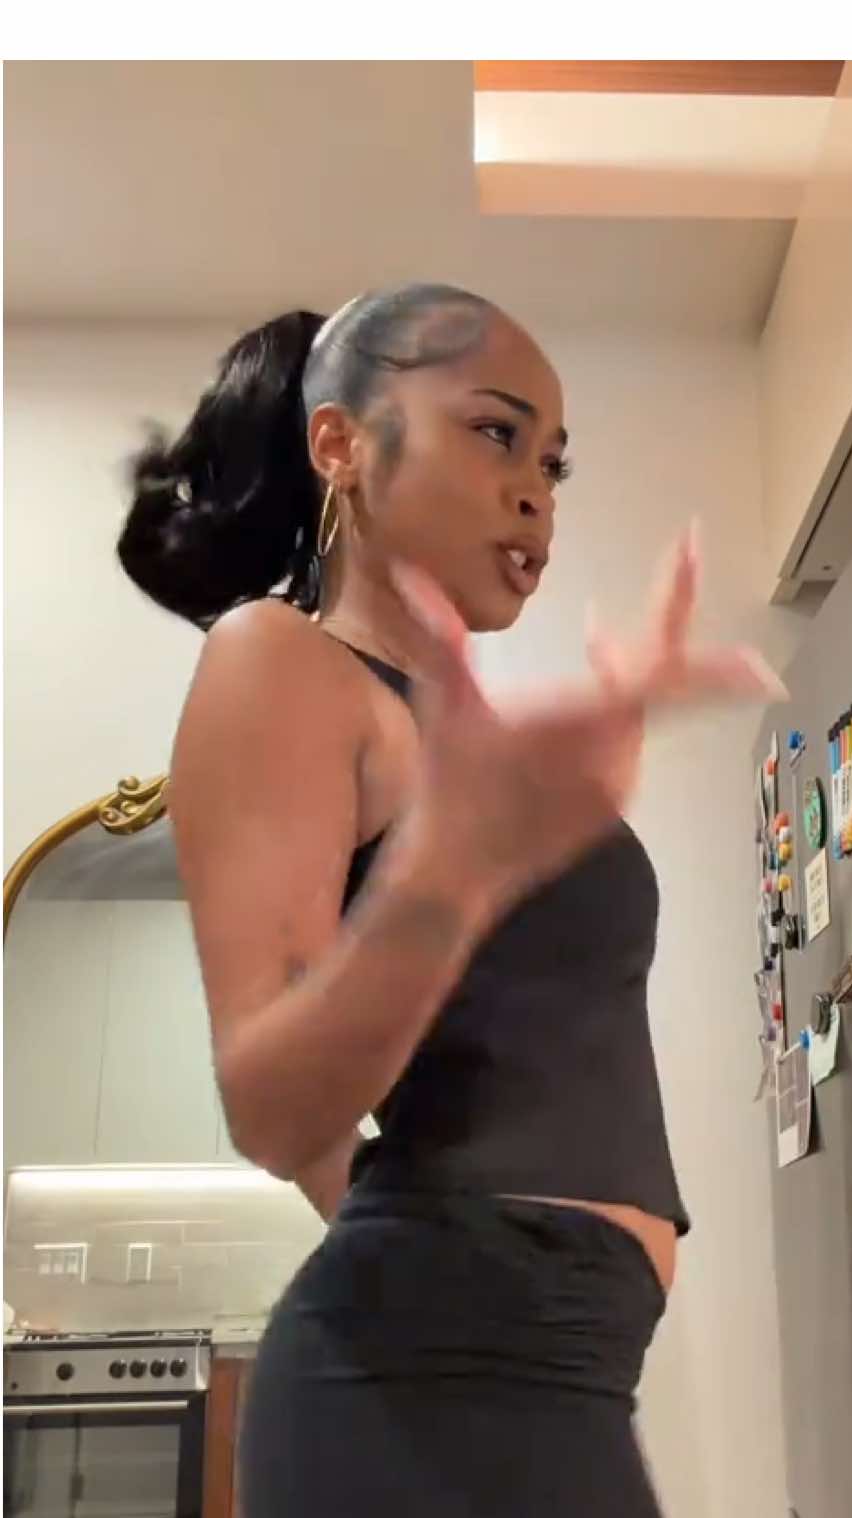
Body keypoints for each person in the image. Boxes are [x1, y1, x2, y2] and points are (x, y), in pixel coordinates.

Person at [117, 284, 783, 1516]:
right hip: (427, 1377)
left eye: (552, 462)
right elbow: (270, 1103)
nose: (535, 492)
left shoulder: (464, 742)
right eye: (494, 432)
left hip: (556, 1362)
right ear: (340, 444)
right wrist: (455, 872)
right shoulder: (277, 658)